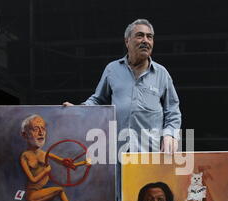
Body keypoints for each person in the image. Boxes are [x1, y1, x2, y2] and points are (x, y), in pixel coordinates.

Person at [63, 18, 181, 154]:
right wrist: (79, 110)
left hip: (150, 153)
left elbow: (172, 110)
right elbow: (98, 100)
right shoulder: (112, 70)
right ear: (127, 41)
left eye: (150, 37)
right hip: (118, 152)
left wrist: (170, 134)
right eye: (140, 35)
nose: (145, 41)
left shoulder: (162, 74)